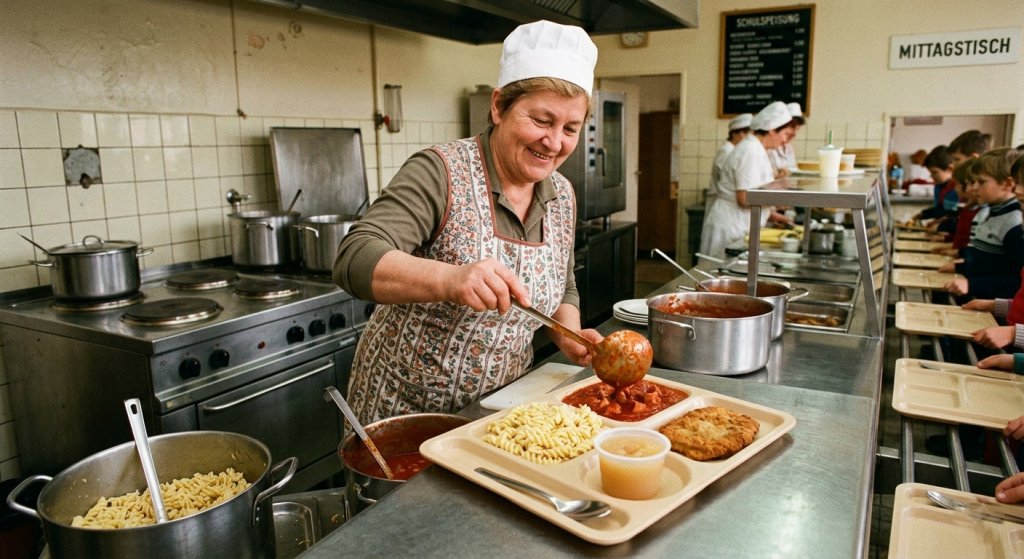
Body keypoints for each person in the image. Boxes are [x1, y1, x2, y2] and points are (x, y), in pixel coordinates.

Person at [333, 20, 602, 425]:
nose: (554, 142)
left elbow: (562, 287)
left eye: (570, 128)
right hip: (406, 412)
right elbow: (354, 258)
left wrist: (569, 333)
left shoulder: (561, 194)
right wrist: (451, 279)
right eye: (542, 121)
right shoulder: (440, 171)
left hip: (501, 412)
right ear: (498, 106)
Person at [699, 101, 795, 259]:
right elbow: (744, 198)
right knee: (718, 277)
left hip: (739, 223)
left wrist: (771, 215)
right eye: (785, 134)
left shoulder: (758, 150)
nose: (785, 141)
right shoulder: (750, 151)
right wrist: (775, 201)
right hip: (731, 226)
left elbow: (755, 190)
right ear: (772, 130)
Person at [941, 147, 1024, 300]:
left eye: (981, 182)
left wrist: (973, 285)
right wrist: (961, 266)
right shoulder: (987, 213)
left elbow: (1016, 282)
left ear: (1007, 184)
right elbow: (984, 263)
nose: (973, 188)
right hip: (978, 298)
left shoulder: (1015, 223)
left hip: (995, 308)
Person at [704, 113, 752, 214]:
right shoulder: (727, 151)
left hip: (728, 206)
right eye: (748, 134)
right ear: (739, 134)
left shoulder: (733, 150)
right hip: (722, 206)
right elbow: (729, 180)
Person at [767, 102, 803, 174]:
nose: (794, 134)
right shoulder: (770, 145)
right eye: (792, 128)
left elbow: (792, 170)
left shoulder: (789, 147)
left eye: (797, 129)